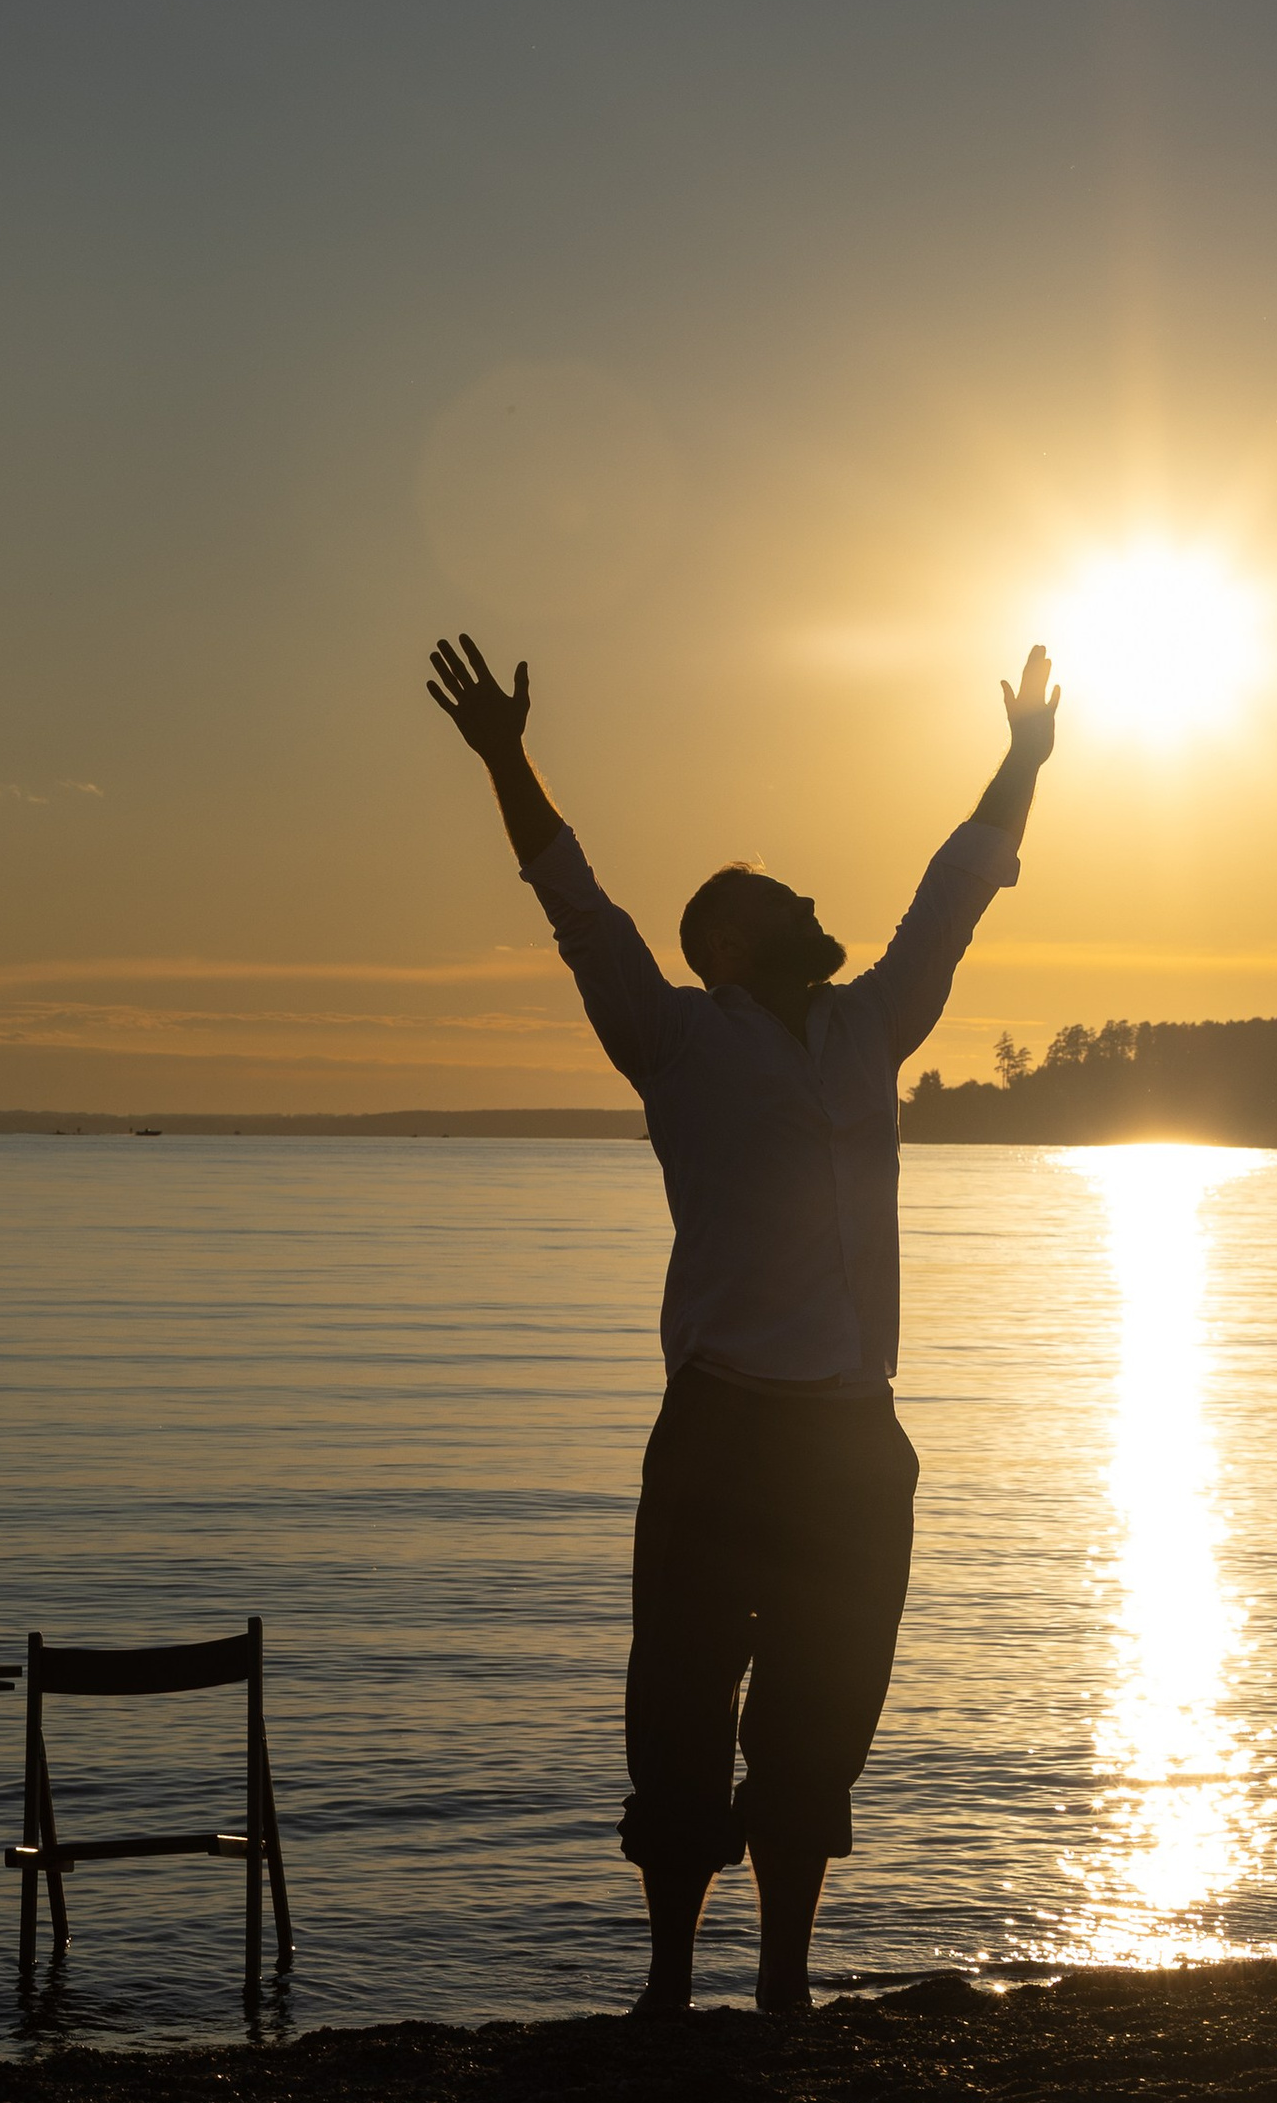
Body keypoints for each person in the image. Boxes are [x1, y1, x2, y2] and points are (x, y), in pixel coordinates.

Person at [426, 628, 1057, 2016]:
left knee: (821, 1714)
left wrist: (1019, 764)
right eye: (780, 898)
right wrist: (506, 757)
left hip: (849, 1432)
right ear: (725, 944)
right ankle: (664, 1986)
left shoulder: (871, 1026)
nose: (811, 898)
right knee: (682, 1707)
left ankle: (780, 1983)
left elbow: (956, 896)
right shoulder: (675, 1041)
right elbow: (578, 904)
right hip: (719, 1426)